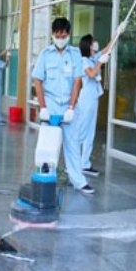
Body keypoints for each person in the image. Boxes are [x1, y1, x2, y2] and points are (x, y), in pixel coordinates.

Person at [32, 17, 94, 194]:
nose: (60, 38)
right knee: (47, 147)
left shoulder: (75, 54)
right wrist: (43, 107)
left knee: (73, 145)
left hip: (68, 107)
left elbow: (77, 82)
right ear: (52, 34)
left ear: (68, 34)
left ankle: (78, 181)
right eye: (58, 35)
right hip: (50, 106)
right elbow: (38, 81)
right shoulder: (45, 54)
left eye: (64, 35)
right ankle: (44, 179)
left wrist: (71, 108)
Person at [75, 34, 110, 177]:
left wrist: (117, 33)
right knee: (82, 131)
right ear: (88, 45)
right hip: (86, 99)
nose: (95, 43)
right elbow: (91, 74)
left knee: (90, 133)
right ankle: (74, 162)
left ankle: (85, 164)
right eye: (93, 42)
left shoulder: (92, 58)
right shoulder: (84, 61)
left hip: (93, 97)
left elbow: (107, 49)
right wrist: (100, 62)